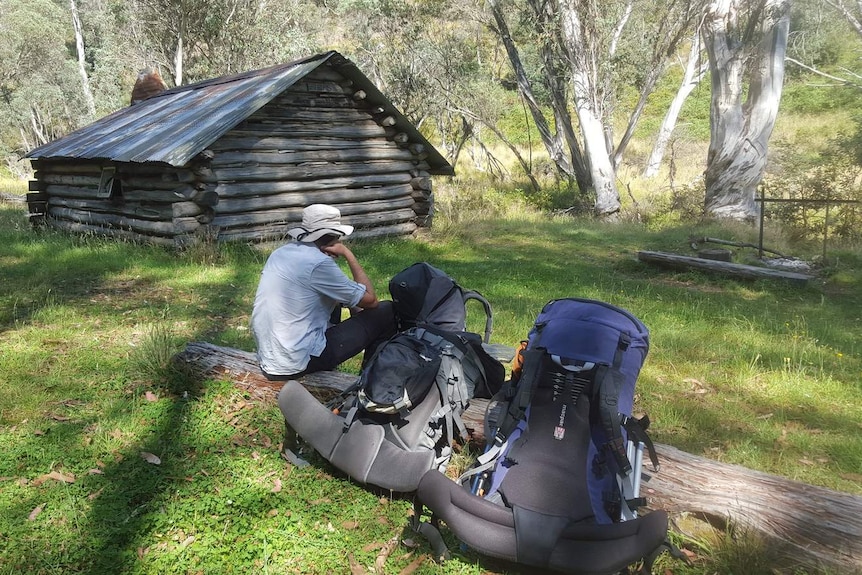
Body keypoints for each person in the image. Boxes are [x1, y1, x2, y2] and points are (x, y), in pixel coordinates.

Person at [251, 204, 396, 379]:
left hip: (271, 357)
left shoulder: (280, 253)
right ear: (334, 236)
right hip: (296, 363)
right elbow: (371, 301)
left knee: (334, 299)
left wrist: (357, 310)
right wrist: (348, 255)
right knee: (387, 311)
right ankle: (369, 381)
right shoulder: (319, 263)